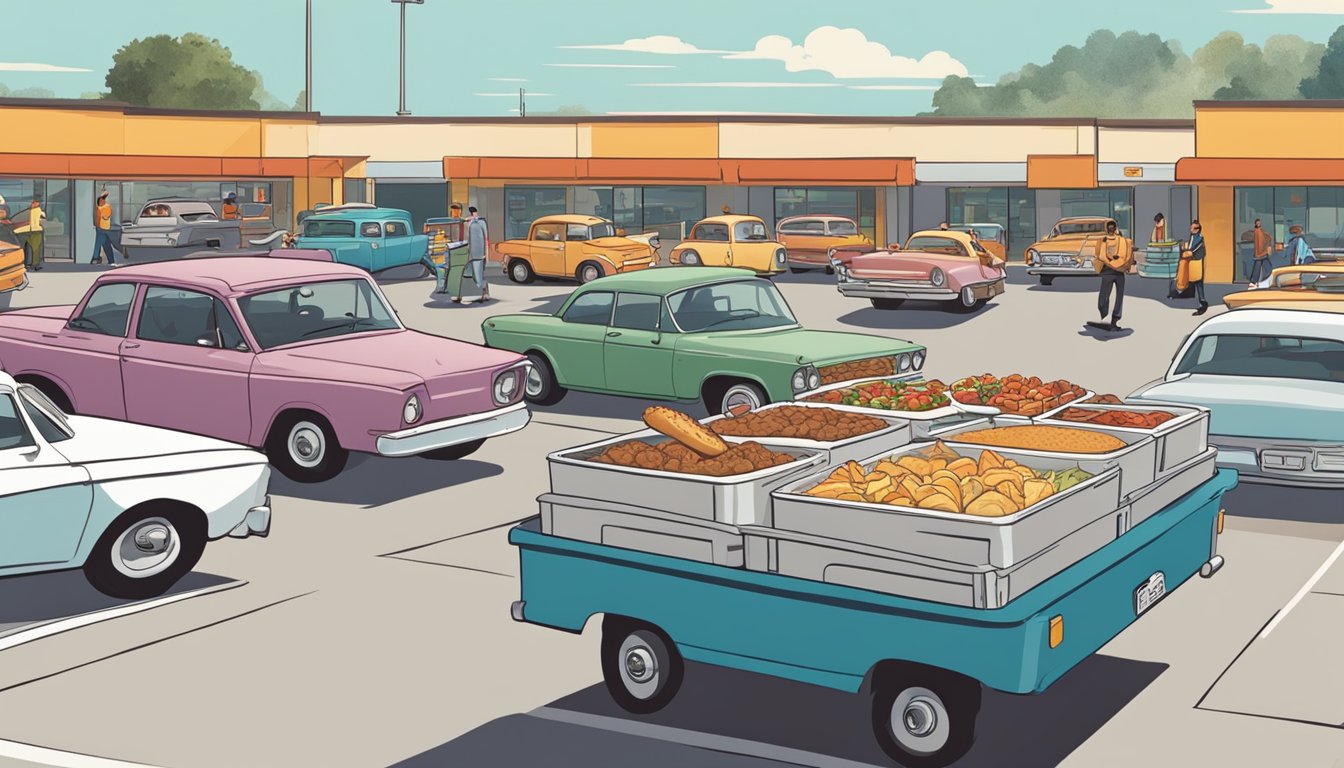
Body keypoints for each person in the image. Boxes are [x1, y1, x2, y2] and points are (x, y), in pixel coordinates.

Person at [1088, 220, 1134, 332]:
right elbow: (1128, 254)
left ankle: (1110, 319)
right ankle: (1110, 319)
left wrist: (1111, 261)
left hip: (1110, 271)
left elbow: (1100, 255)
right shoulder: (1116, 240)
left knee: (1108, 296)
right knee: (1115, 297)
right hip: (1117, 271)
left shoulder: (1111, 240)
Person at [465, 206, 491, 304]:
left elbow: (486, 238)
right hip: (470, 254)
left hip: (479, 254)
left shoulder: (480, 222)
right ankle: (478, 292)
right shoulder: (468, 223)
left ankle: (484, 291)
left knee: (478, 275)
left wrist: (486, 254)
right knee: (471, 275)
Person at [1181, 220, 1207, 316]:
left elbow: (1193, 249)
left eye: (1192, 228)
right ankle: (1201, 302)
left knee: (1198, 283)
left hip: (1197, 262)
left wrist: (1187, 251)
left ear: (1197, 229)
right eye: (1191, 227)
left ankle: (1202, 303)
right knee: (1195, 282)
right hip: (1193, 262)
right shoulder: (1192, 237)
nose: (1191, 229)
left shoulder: (1199, 238)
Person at [14, 198, 46, 271]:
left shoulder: (37, 211)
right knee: (31, 248)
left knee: (34, 249)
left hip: (34, 231)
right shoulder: (31, 211)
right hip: (30, 231)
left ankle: (33, 264)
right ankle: (31, 264)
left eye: (34, 203)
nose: (32, 204)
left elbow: (36, 223)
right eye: (32, 203)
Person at [91, 190, 116, 265]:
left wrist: (97, 225)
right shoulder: (108, 207)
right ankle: (111, 260)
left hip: (101, 228)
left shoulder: (99, 208)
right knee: (106, 244)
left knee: (99, 243)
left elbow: (97, 220)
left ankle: (96, 258)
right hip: (105, 228)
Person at [1247, 218, 1273, 287]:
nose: (1258, 224)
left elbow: (1266, 238)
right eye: (1257, 223)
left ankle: (1254, 281)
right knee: (1267, 267)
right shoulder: (1257, 231)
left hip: (1261, 253)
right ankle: (1255, 281)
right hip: (1260, 253)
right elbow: (1260, 242)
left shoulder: (1260, 231)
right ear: (1255, 224)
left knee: (1260, 267)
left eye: (1259, 223)